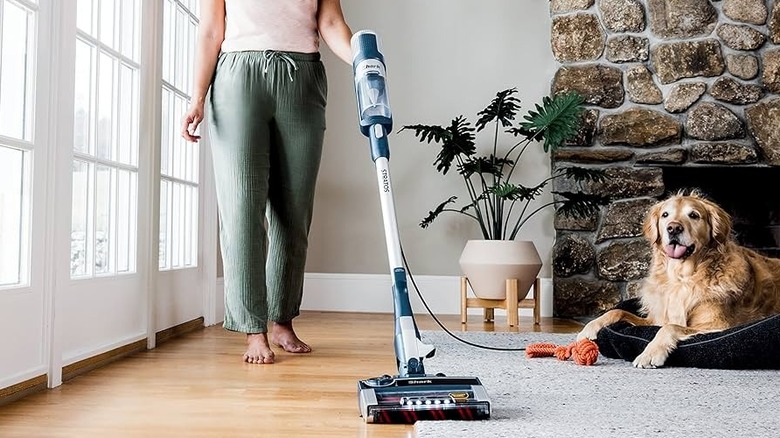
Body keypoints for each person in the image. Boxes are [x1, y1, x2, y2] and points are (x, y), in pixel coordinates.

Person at [180, 0, 354, 364]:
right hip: (238, 78)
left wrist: (364, 61)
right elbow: (212, 30)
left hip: (302, 78)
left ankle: (282, 320)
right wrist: (197, 97)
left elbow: (331, 21)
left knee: (294, 209)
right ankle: (252, 329)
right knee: (242, 206)